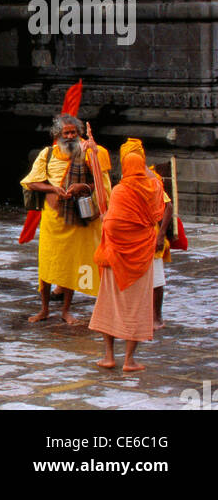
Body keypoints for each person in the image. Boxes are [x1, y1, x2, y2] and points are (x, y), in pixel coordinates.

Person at [21, 113, 112, 325]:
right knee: (46, 264)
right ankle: (44, 309)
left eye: (73, 132)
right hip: (52, 219)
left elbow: (101, 183)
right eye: (66, 133)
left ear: (78, 133)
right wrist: (53, 188)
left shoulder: (88, 153)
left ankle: (66, 310)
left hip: (76, 218)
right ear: (57, 135)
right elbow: (31, 182)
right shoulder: (48, 154)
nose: (70, 136)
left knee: (72, 264)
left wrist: (84, 187)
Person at [90, 149, 165, 371]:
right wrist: (145, 170)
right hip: (141, 259)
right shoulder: (154, 189)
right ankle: (129, 360)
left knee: (109, 305)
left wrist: (105, 220)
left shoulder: (120, 190)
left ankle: (109, 356)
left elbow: (112, 225)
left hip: (115, 258)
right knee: (137, 307)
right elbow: (158, 210)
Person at [120, 139, 173, 328]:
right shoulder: (127, 177)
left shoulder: (151, 179)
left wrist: (161, 236)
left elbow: (167, 207)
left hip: (150, 234)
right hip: (131, 235)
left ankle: (156, 317)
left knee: (155, 276)